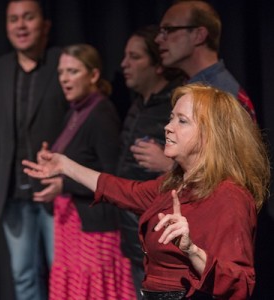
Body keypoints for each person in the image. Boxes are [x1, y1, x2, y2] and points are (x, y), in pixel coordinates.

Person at [23, 83, 270, 300]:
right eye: (171, 118)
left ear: (211, 135)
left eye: (182, 121)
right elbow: (122, 189)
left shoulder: (229, 196)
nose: (168, 127)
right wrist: (65, 165)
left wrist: (192, 251)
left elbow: (240, 283)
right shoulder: (174, 185)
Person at [0, 1, 68, 299]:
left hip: (58, 192)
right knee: (23, 274)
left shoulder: (62, 63)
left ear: (45, 25)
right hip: (12, 193)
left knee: (62, 272)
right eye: (13, 19)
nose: (21, 25)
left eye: (28, 17)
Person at [34, 44, 136, 300]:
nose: (64, 79)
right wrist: (50, 166)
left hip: (96, 228)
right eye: (61, 72)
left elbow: (113, 176)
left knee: (94, 292)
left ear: (93, 75)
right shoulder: (74, 111)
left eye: (72, 71)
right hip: (72, 225)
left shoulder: (101, 113)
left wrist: (63, 185)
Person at [132, 0, 257, 174]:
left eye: (168, 30)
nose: (158, 39)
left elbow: (237, 173)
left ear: (199, 35)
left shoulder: (223, 93)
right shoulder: (191, 85)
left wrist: (167, 165)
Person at [118, 25, 185, 299]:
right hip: (133, 240)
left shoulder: (175, 106)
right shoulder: (137, 105)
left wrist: (168, 164)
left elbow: (209, 170)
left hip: (161, 244)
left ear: (158, 65)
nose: (124, 64)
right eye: (125, 56)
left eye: (135, 57)